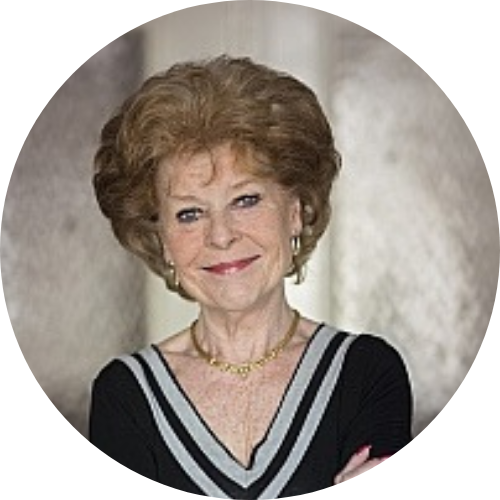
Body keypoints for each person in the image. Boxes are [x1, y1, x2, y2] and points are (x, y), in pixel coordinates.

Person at [90, 55, 412, 498]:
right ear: (161, 239)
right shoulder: (126, 397)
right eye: (189, 213)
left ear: (295, 211)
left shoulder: (365, 374)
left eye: (245, 200)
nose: (221, 236)